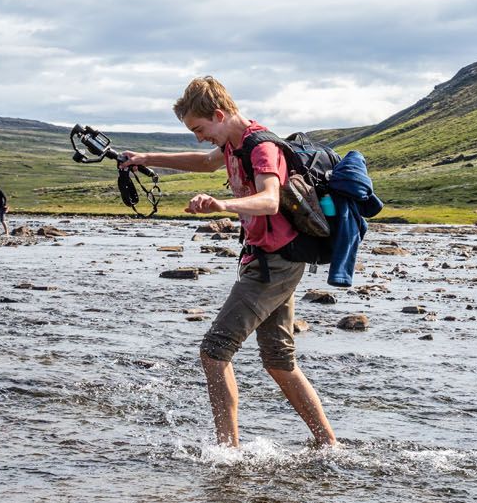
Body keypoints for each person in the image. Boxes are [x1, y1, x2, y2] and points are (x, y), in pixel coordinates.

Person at [120, 76, 338, 449]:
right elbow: (205, 163)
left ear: (219, 115)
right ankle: (329, 444)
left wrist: (222, 205)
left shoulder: (261, 148)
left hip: (275, 263)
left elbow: (270, 200)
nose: (198, 137)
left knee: (214, 350)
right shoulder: (233, 144)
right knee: (279, 360)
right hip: (271, 259)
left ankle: (228, 451)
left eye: (200, 128)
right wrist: (145, 158)